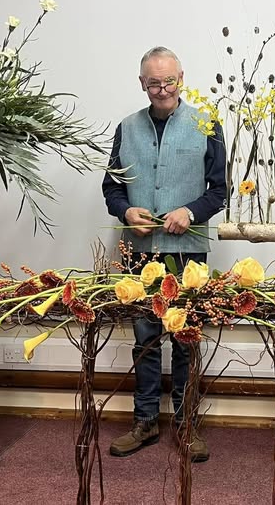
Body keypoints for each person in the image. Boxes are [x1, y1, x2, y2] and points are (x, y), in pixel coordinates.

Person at [101, 46, 227, 462]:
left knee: (186, 340)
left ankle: (188, 425)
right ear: (142, 83)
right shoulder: (126, 127)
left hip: (189, 253)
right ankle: (146, 421)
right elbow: (112, 188)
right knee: (146, 340)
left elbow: (219, 191)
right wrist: (126, 211)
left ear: (181, 79)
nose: (161, 89)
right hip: (141, 253)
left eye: (168, 81)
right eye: (153, 82)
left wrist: (190, 212)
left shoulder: (207, 123)